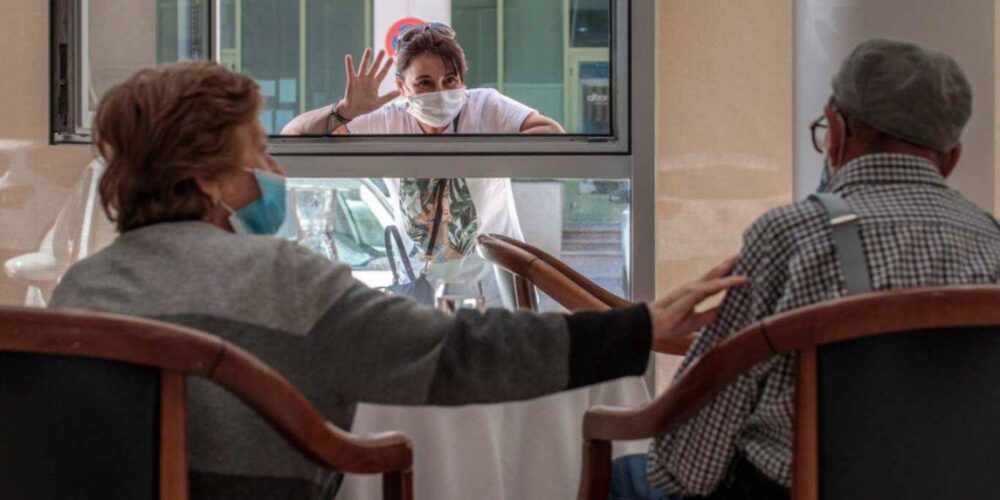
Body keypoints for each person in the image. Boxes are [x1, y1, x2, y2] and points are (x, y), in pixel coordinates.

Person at [48, 61, 743, 500]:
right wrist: (639, 328)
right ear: (206, 180)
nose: (276, 173)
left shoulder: (82, 292)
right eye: (259, 153)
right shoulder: (284, 281)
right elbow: (461, 353)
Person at [611, 37, 1000, 499]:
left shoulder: (790, 235)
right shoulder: (993, 243)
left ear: (834, 133)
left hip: (793, 491)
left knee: (629, 477)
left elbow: (688, 465)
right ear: (951, 159)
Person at [282, 23, 564, 307]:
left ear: (463, 82)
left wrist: (485, 154)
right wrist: (344, 111)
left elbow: (552, 134)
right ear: (402, 87)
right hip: (422, 291)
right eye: (425, 83)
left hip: (494, 288)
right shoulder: (386, 119)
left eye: (450, 80)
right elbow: (292, 137)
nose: (439, 92)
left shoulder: (485, 107)